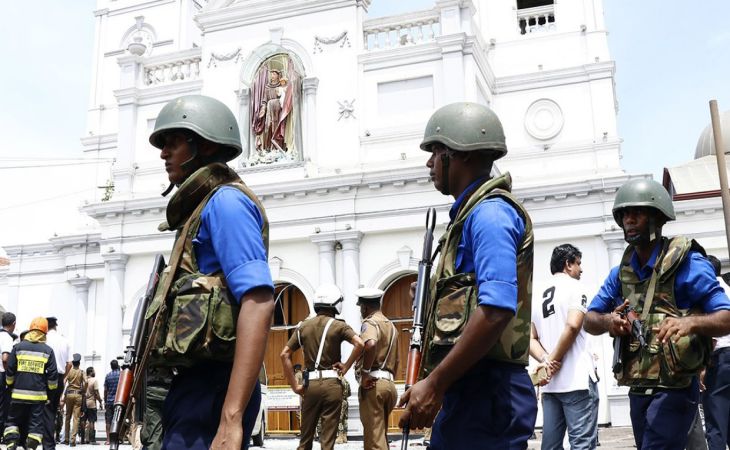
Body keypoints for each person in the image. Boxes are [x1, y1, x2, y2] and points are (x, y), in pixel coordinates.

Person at [398, 102, 537, 448]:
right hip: (471, 388)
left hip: (490, 393)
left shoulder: (490, 214)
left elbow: (495, 310)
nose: (429, 162)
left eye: (436, 151)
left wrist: (434, 384)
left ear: (462, 155)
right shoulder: (467, 217)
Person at [145, 94, 275, 450]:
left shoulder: (226, 202)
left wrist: (231, 419)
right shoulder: (200, 208)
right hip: (193, 386)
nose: (163, 152)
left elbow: (259, 300)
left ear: (202, 145)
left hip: (215, 390)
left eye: (173, 142)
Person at [584, 178, 730, 450]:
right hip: (638, 388)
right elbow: (589, 319)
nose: (629, 220)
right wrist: (609, 321)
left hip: (674, 389)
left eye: (637, 213)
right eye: (624, 214)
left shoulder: (687, 265)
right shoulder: (622, 272)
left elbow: (726, 317)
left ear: (657, 218)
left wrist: (691, 323)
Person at [280, 284, 364, 450]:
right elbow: (360, 343)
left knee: (305, 440)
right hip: (332, 384)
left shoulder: (303, 326)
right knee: (327, 442)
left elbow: (284, 354)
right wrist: (346, 366)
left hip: (310, 385)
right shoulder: (339, 326)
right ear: (336, 304)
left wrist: (295, 386)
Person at [530, 244, 598, 450]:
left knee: (550, 446)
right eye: (578, 263)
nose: (581, 269)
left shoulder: (537, 293)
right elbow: (573, 325)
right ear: (568, 264)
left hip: (550, 385)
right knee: (582, 445)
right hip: (577, 381)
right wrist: (553, 361)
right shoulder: (577, 288)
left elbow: (530, 338)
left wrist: (545, 360)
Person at [3, 317, 59, 450]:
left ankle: (11, 442)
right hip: (38, 396)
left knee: (12, 420)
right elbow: (52, 376)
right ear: (44, 333)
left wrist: (10, 385)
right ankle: (32, 442)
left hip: (18, 394)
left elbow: (10, 370)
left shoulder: (18, 347)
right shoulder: (47, 350)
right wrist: (50, 394)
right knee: (35, 424)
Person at [355, 287, 399, 450]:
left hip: (373, 384)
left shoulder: (370, 322)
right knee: (380, 437)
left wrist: (365, 373)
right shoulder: (392, 326)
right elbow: (397, 361)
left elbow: (371, 344)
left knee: (374, 441)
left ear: (364, 307)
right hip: (389, 385)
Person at [702, 255, 730, 450]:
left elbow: (712, 334)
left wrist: (702, 366)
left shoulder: (710, 292)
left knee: (715, 421)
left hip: (719, 357)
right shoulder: (728, 288)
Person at [44, 316, 70, 450]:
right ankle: (50, 441)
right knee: (53, 410)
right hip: (59, 378)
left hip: (45, 376)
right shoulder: (64, 340)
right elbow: (69, 364)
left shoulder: (44, 339)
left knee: (45, 410)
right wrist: (64, 378)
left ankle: (47, 443)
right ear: (56, 326)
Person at [63, 353, 85, 447]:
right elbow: (86, 381)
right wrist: (84, 389)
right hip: (78, 395)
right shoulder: (81, 372)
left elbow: (64, 381)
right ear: (79, 363)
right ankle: (73, 439)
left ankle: (66, 439)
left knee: (67, 416)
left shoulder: (69, 372)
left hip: (69, 394)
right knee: (76, 418)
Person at [0, 312, 17, 433]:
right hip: (1, 374)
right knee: (2, 407)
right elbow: (5, 358)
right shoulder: (6, 338)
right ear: (13, 324)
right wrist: (9, 375)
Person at [83, 366, 102, 445]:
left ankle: (83, 439)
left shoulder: (84, 381)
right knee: (92, 421)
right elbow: (96, 393)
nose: (95, 372)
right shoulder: (94, 380)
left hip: (84, 403)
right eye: (94, 371)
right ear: (91, 372)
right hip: (92, 404)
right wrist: (100, 401)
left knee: (83, 421)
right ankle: (92, 439)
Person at [103, 359, 121, 446]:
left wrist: (105, 401)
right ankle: (119, 438)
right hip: (119, 400)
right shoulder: (121, 375)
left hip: (109, 401)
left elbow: (105, 390)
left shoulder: (108, 375)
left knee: (108, 421)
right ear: (117, 365)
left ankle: (108, 440)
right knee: (118, 420)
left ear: (111, 366)